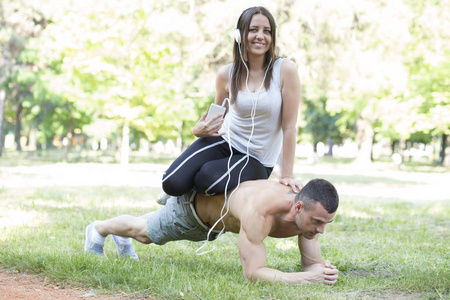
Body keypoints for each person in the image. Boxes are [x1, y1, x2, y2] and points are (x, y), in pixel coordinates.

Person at [160, 6, 302, 199]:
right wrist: (197, 131)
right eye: (253, 29)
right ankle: (184, 186)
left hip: (257, 160)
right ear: (239, 35)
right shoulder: (226, 73)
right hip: (225, 141)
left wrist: (286, 175)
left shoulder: (285, 70)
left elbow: (289, 127)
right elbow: (215, 117)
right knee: (171, 183)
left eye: (267, 31)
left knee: (206, 180)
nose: (260, 36)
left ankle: (195, 185)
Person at [84, 178, 339, 285]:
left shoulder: (308, 219)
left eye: (326, 223)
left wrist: (320, 272)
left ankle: (119, 232)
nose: (321, 230)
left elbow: (312, 265)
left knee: (146, 225)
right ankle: (99, 229)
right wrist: (304, 279)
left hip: (217, 218)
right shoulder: (260, 212)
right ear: (298, 207)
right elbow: (252, 274)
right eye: (318, 222)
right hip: (193, 212)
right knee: (145, 233)